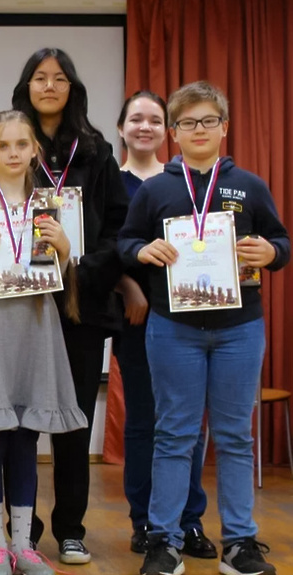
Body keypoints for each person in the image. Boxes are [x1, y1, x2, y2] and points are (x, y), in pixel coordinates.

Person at [118, 80, 289, 575]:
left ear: (224, 127)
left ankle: (240, 543)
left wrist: (271, 251)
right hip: (173, 329)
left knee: (235, 437)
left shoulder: (250, 186)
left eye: (208, 121)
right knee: (175, 434)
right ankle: (164, 541)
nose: (199, 129)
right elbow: (125, 243)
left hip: (240, 328)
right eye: (188, 122)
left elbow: (281, 243)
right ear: (173, 132)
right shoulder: (156, 189)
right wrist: (142, 250)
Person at [0, 48, 129, 565]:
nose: (49, 86)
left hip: (78, 306)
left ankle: (70, 528)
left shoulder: (97, 152)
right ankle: (21, 532)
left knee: (72, 423)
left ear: (72, 89)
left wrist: (80, 266)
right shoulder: (11, 141)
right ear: (27, 86)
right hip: (19, 307)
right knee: (17, 424)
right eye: (40, 78)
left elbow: (119, 228)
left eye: (60, 78)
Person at [0, 110, 88, 575]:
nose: (12, 153)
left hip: (37, 328)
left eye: (21, 144)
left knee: (28, 438)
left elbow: (59, 277)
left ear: (34, 151)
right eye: (2, 145)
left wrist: (64, 248)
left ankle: (24, 545)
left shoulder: (50, 205)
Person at [114, 91, 216, 558]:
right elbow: (105, 247)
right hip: (136, 319)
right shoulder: (111, 184)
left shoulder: (189, 183)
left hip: (188, 321)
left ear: (168, 130)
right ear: (121, 128)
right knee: (144, 421)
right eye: (136, 119)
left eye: (155, 120)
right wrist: (128, 288)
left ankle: (188, 522)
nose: (145, 127)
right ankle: (146, 521)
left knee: (187, 425)